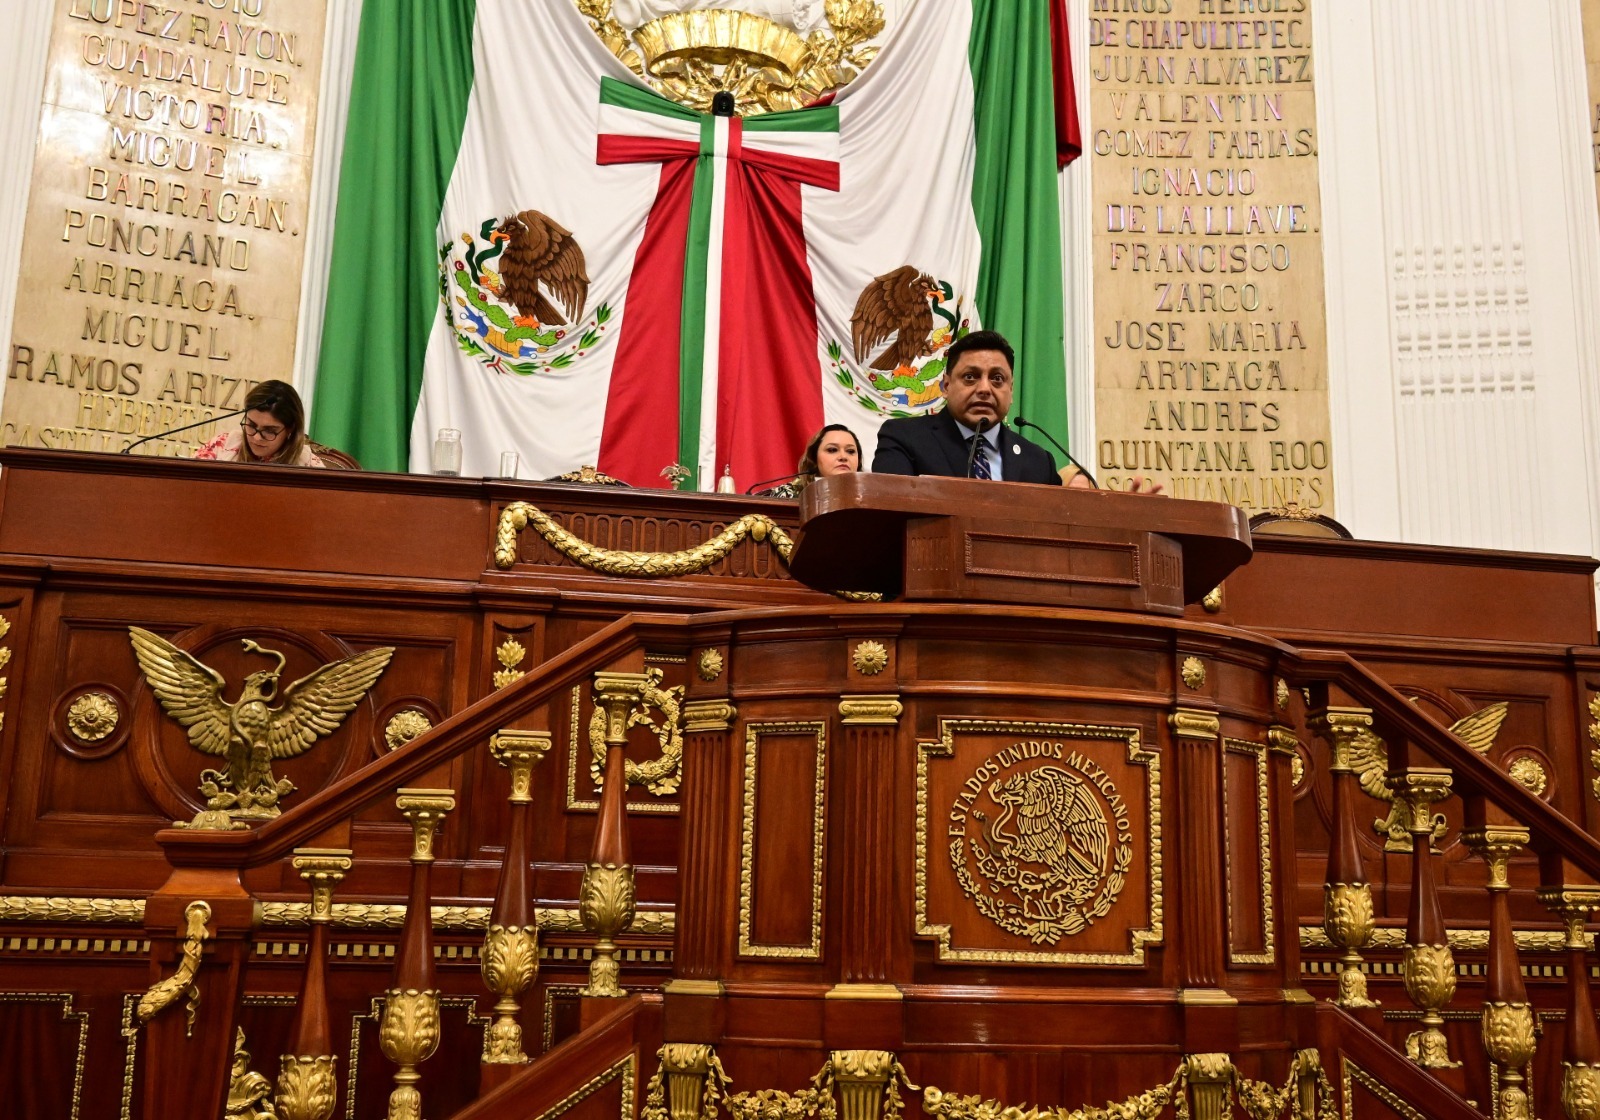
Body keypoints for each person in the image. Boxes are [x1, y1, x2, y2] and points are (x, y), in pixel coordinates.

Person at [871, 330, 1064, 484]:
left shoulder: (1039, 462)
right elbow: (891, 519)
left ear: (1011, 390)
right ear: (946, 386)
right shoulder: (904, 439)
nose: (984, 389)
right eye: (970, 377)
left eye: (997, 379)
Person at [193, 380, 327, 468]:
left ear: (290, 429)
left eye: (269, 431)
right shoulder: (221, 446)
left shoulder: (310, 466)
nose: (257, 438)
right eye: (251, 425)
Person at [757, 423, 862, 497]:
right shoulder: (788, 495)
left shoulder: (871, 497)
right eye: (832, 450)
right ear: (814, 458)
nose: (843, 457)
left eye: (850, 451)